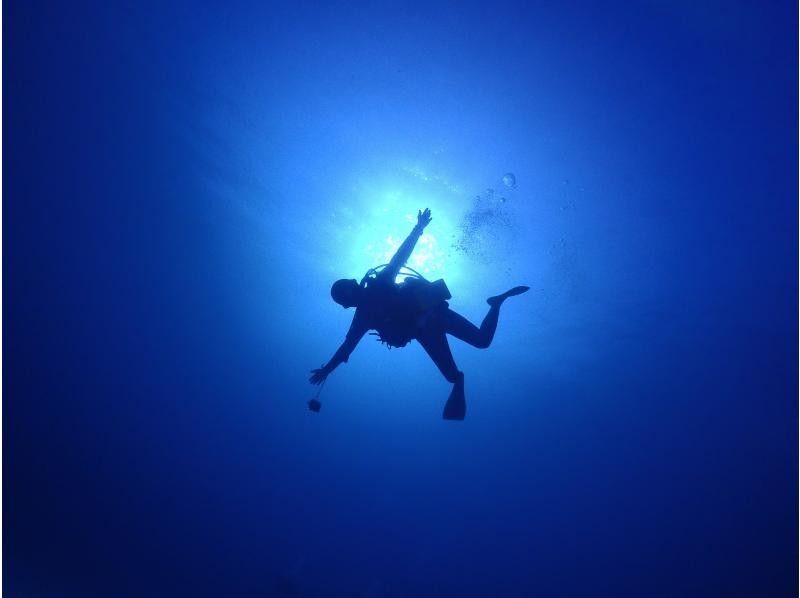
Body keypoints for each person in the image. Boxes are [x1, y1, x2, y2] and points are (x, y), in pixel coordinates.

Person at [310, 208, 529, 420]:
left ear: (347, 299)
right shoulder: (364, 315)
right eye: (346, 294)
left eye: (345, 294)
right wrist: (327, 369)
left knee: (475, 351)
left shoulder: (373, 297)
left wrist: (418, 228)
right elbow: (346, 348)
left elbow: (399, 257)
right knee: (466, 361)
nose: (350, 295)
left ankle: (495, 305)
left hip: (431, 319)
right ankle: (495, 305)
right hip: (427, 328)